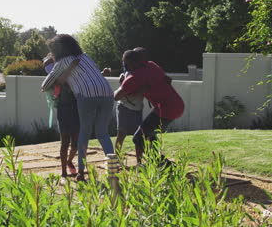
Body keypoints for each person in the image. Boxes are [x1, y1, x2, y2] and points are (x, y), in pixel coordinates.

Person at [41, 34, 115, 181]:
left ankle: (81, 172)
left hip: (86, 96)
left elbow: (44, 86)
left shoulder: (62, 63)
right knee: (103, 133)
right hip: (107, 94)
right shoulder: (86, 57)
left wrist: (61, 77)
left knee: (84, 133)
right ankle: (113, 169)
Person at [114, 50, 184, 165]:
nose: (124, 66)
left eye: (125, 63)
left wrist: (122, 83)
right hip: (177, 104)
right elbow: (166, 79)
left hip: (165, 109)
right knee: (149, 135)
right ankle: (160, 163)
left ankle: (154, 165)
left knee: (138, 138)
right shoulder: (151, 65)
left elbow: (116, 96)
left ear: (131, 63)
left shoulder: (133, 77)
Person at [43, 54, 79, 185]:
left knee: (75, 144)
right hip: (63, 110)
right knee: (65, 142)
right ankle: (63, 172)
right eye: (46, 66)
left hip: (76, 109)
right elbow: (47, 86)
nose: (48, 67)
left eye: (49, 63)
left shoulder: (69, 72)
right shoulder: (53, 78)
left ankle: (69, 161)